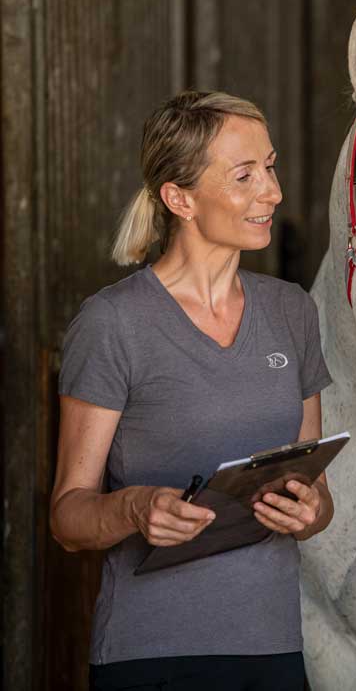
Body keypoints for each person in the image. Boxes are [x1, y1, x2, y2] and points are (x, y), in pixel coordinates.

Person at [49, 91, 334, 691]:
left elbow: (317, 491)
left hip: (273, 648)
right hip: (148, 654)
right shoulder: (112, 323)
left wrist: (310, 512)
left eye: (271, 166)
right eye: (244, 175)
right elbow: (68, 517)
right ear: (179, 199)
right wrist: (134, 507)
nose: (273, 192)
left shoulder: (292, 312)